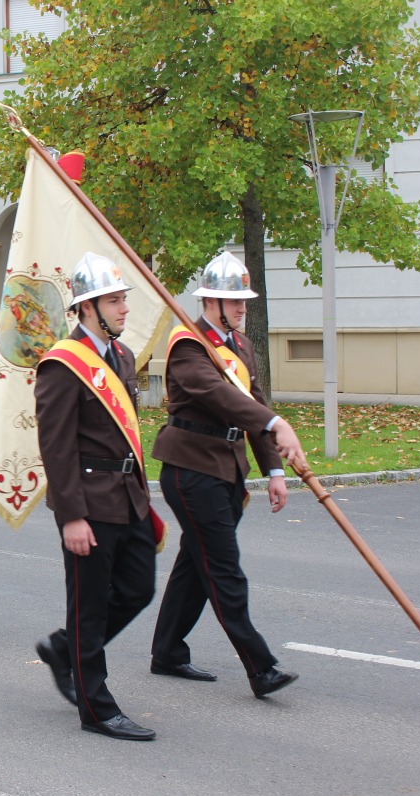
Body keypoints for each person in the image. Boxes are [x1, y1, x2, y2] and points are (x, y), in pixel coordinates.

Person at [150, 252, 305, 699]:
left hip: (226, 469)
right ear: (210, 302)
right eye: (233, 301)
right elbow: (219, 395)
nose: (241, 308)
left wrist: (273, 469)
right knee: (223, 569)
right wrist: (276, 423)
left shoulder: (240, 346)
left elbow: (254, 406)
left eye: (243, 301)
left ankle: (167, 651)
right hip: (191, 470)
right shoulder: (188, 344)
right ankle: (261, 667)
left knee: (195, 565)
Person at [32, 253, 160, 741]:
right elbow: (57, 445)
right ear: (87, 307)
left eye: (124, 298)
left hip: (128, 496)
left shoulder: (122, 357)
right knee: (88, 608)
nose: (124, 308)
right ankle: (97, 708)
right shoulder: (63, 364)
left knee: (138, 589)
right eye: (114, 300)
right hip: (88, 499)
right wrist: (71, 515)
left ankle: (64, 649)